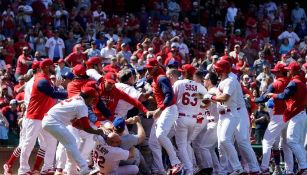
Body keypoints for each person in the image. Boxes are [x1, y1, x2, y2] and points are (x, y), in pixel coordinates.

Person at [18, 59, 67, 175]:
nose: (54, 68)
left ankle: (47, 168)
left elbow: (53, 92)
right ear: (46, 67)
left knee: (51, 141)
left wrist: (58, 87)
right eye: (52, 66)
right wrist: (70, 93)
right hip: (34, 116)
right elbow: (53, 93)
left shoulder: (47, 80)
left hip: (45, 117)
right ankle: (23, 170)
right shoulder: (41, 80)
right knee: (28, 143)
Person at [42, 87, 106, 175]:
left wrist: (90, 130)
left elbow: (75, 124)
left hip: (50, 120)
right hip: (52, 121)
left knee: (71, 143)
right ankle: (83, 167)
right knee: (71, 142)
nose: (93, 100)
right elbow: (86, 127)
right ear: (88, 97)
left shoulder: (76, 98)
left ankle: (71, 170)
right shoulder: (82, 105)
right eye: (93, 98)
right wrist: (97, 131)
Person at [203, 60, 244, 175]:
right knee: (221, 144)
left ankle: (238, 167)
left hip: (231, 114)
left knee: (225, 140)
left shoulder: (230, 81)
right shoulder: (223, 81)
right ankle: (224, 170)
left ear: (222, 70)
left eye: (217, 68)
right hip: (223, 115)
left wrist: (211, 97)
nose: (215, 70)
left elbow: (225, 97)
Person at [267, 61, 307, 174]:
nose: (288, 71)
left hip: (296, 115)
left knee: (291, 141)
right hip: (302, 114)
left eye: (290, 69)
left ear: (294, 71)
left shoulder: (294, 82)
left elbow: (284, 95)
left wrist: (273, 95)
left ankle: (304, 166)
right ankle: (303, 168)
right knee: (298, 143)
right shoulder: (303, 81)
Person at [145, 58, 183, 174]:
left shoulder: (161, 78)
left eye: (149, 68)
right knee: (153, 142)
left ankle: (176, 162)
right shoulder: (156, 78)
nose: (148, 70)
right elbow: (160, 94)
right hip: (163, 110)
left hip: (169, 109)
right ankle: (159, 169)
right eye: (147, 68)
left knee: (161, 134)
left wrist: (159, 109)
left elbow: (169, 95)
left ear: (156, 67)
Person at [173, 64, 207, 175]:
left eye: (183, 71)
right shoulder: (200, 87)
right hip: (193, 119)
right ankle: (192, 166)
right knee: (186, 144)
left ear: (186, 73)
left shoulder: (179, 83)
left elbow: (172, 100)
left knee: (182, 145)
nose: (181, 73)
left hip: (181, 117)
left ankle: (189, 169)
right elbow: (206, 102)